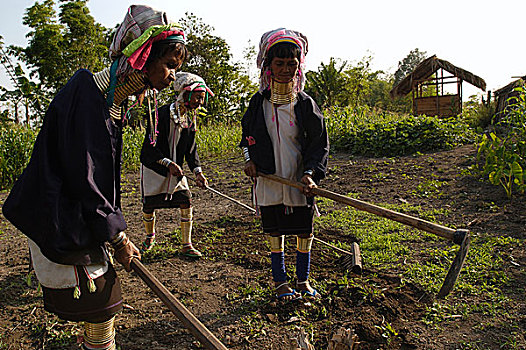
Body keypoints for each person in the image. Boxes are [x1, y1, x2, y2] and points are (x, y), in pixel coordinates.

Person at [2, 5, 187, 349]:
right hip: (59, 217)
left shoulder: (109, 105)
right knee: (101, 304)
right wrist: (117, 238)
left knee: (103, 308)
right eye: (169, 65)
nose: (172, 76)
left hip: (79, 218)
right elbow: (83, 178)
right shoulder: (86, 97)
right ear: (141, 55)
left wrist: (112, 232)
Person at [240, 28, 329, 302]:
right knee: (274, 231)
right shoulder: (258, 104)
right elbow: (246, 139)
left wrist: (311, 174)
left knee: (304, 229)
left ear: (299, 65)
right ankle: (280, 283)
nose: (286, 70)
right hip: (269, 180)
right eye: (279, 63)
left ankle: (302, 281)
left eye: (292, 63)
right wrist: (249, 161)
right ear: (268, 65)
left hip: (299, 181)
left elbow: (319, 144)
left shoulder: (305, 105)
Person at [139, 72, 213, 258]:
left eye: (202, 99)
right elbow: (149, 146)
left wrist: (198, 172)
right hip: (154, 167)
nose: (200, 102)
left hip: (175, 170)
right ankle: (150, 237)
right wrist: (167, 163)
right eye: (198, 97)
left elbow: (191, 150)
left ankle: (186, 244)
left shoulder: (189, 119)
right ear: (185, 94)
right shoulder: (159, 114)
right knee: (149, 205)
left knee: (186, 200)